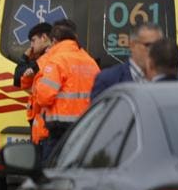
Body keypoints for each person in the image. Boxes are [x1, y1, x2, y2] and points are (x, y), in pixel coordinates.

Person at [32, 20, 99, 163]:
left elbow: (44, 97)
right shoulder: (90, 61)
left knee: (51, 177)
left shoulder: (57, 61)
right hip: (85, 129)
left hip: (58, 132)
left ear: (54, 41)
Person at [90, 23, 163, 100]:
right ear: (132, 45)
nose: (155, 51)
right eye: (149, 45)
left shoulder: (169, 81)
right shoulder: (109, 80)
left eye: (159, 46)